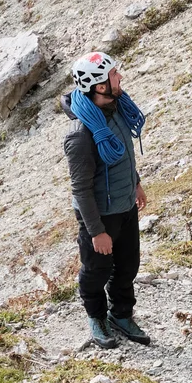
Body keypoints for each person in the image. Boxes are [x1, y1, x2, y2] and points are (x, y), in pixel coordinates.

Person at [64, 51, 151, 349]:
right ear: (100, 86)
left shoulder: (117, 110)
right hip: (100, 216)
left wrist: (136, 184)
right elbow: (81, 189)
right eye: (115, 74)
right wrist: (96, 231)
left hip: (125, 205)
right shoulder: (81, 135)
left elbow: (124, 155)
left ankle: (122, 315)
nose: (120, 77)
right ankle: (97, 317)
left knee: (128, 266)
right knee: (96, 271)